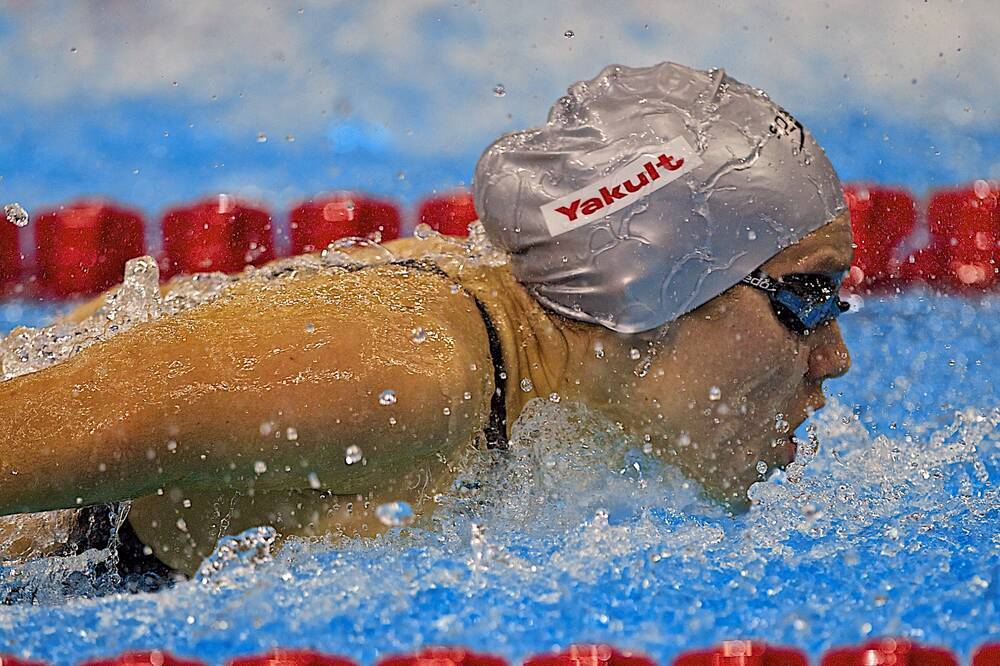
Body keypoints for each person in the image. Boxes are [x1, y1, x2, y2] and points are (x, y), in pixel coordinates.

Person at [0, 62, 852, 581]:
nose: (836, 358)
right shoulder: (402, 372)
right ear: (654, 283)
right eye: (807, 299)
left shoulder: (535, 376)